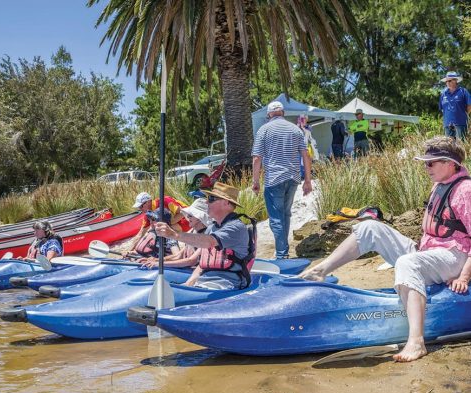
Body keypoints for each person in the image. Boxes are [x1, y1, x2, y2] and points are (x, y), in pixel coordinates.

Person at [300, 136, 471, 362]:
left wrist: (464, 275)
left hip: (455, 256)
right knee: (371, 227)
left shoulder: (465, 191)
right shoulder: (439, 185)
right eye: (425, 162)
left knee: (407, 263)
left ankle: (416, 342)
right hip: (430, 252)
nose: (425, 167)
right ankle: (319, 271)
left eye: (431, 163)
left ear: (450, 163)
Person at [155, 182, 253, 290]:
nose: (206, 202)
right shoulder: (212, 228)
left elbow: (209, 242)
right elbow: (201, 266)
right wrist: (188, 284)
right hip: (204, 283)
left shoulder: (236, 227)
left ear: (225, 203)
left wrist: (174, 234)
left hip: (226, 284)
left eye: (211, 198)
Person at [252, 101, 313, 259]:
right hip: (293, 178)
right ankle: (283, 251)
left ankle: (281, 254)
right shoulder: (296, 129)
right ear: (283, 112)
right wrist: (307, 180)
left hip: (274, 179)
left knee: (276, 218)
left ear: (269, 114)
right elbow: (306, 156)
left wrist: (256, 181)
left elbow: (257, 158)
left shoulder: (264, 130)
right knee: (285, 215)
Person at [140, 198, 212, 269]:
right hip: (187, 269)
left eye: (190, 215)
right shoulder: (193, 231)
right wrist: (156, 260)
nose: (187, 217)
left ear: (200, 218)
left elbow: (191, 261)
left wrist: (159, 263)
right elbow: (179, 255)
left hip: (194, 271)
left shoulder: (206, 237)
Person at [126, 192, 190, 255]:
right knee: (155, 231)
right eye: (139, 207)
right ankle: (163, 251)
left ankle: (171, 250)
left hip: (188, 218)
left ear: (149, 201)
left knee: (161, 229)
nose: (140, 209)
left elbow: (184, 212)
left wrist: (170, 222)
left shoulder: (165, 201)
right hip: (175, 221)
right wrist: (129, 250)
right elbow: (141, 234)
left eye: (141, 206)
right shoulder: (148, 213)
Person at [439, 71, 471, 141]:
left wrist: (463, 115)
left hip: (461, 123)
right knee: (449, 147)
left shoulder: (463, 91)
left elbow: (469, 106)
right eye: (446, 81)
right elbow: (442, 109)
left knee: (461, 146)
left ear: (455, 81)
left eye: (449, 80)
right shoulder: (443, 94)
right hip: (447, 125)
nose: (447, 83)